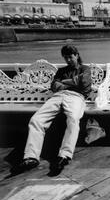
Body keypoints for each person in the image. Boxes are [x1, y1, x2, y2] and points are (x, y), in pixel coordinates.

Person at [16, 45, 92, 175]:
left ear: (77, 55)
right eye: (65, 57)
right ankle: (31, 157)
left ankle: (64, 156)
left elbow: (84, 83)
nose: (68, 60)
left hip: (76, 97)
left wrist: (65, 83)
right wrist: (73, 82)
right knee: (36, 120)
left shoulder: (85, 69)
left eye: (70, 56)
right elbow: (54, 86)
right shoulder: (61, 71)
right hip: (58, 96)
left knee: (73, 119)